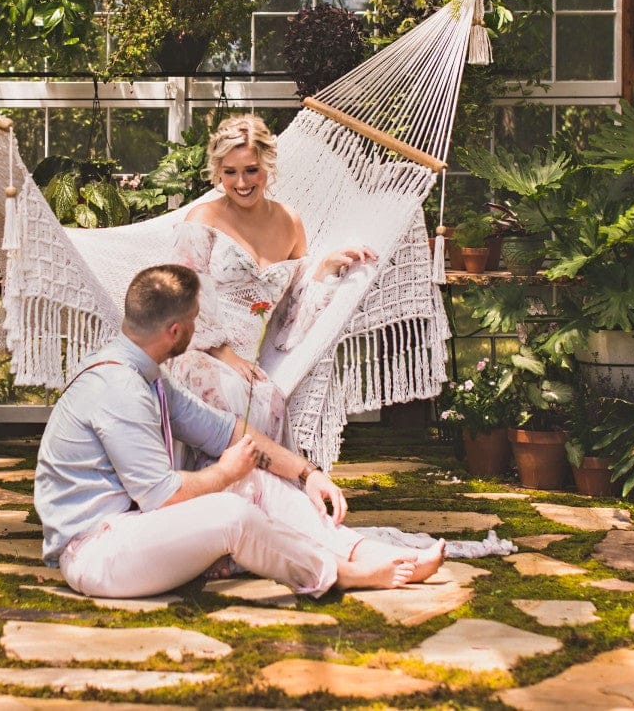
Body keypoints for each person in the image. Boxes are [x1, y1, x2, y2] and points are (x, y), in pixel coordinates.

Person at [35, 263, 445, 600]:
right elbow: (161, 495)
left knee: (253, 481)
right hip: (95, 553)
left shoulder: (146, 374)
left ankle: (363, 551)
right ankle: (341, 574)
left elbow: (228, 431)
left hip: (132, 530)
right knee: (232, 512)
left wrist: (308, 473)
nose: (199, 330)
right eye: (195, 320)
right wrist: (225, 474)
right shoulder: (119, 387)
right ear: (176, 331)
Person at [167, 114, 375, 458]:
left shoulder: (290, 221)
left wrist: (324, 267)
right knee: (229, 395)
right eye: (230, 172)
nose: (241, 182)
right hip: (198, 353)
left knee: (269, 398)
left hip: (251, 363)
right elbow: (179, 296)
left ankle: (257, 499)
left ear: (268, 166)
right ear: (218, 171)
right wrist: (223, 353)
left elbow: (293, 306)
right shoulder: (201, 220)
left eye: (251, 169)